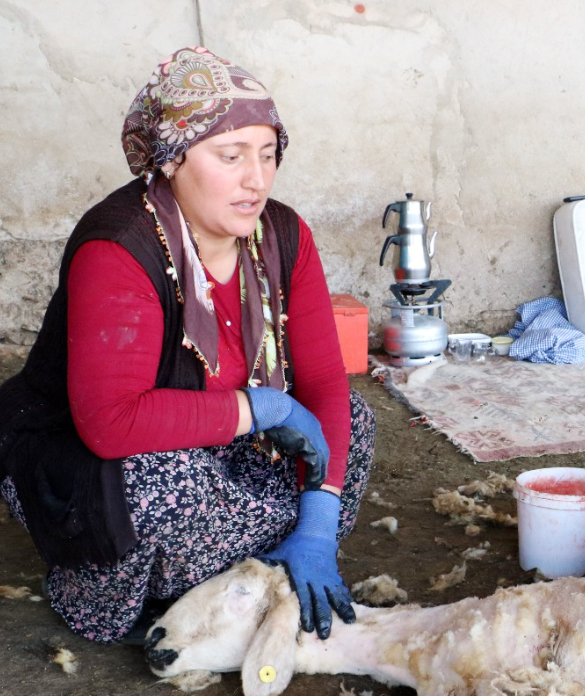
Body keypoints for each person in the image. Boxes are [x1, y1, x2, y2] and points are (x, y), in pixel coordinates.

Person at [0, 47, 375, 643]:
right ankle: (119, 583)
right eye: (231, 157)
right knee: (148, 485)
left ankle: (272, 549)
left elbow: (327, 382)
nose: (257, 179)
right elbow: (110, 422)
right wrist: (266, 407)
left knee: (350, 420)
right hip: (93, 452)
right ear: (172, 160)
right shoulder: (120, 248)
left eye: (269, 154)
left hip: (219, 439)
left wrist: (322, 521)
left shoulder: (283, 234)